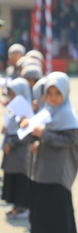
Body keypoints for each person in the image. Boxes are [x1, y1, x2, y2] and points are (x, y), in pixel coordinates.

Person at [22, 72, 78, 233]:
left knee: (54, 208)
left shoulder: (67, 115)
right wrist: (29, 128)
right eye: (50, 93)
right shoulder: (46, 112)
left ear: (65, 93)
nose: (53, 98)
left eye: (57, 93)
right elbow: (37, 134)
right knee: (45, 207)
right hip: (44, 168)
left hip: (56, 171)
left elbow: (69, 140)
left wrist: (44, 135)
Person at [2, 78, 32, 219]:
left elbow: (26, 133)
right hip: (12, 153)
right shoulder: (13, 109)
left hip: (20, 154)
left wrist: (12, 142)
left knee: (20, 181)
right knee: (12, 181)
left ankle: (22, 207)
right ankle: (16, 206)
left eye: (14, 95)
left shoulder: (26, 110)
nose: (11, 98)